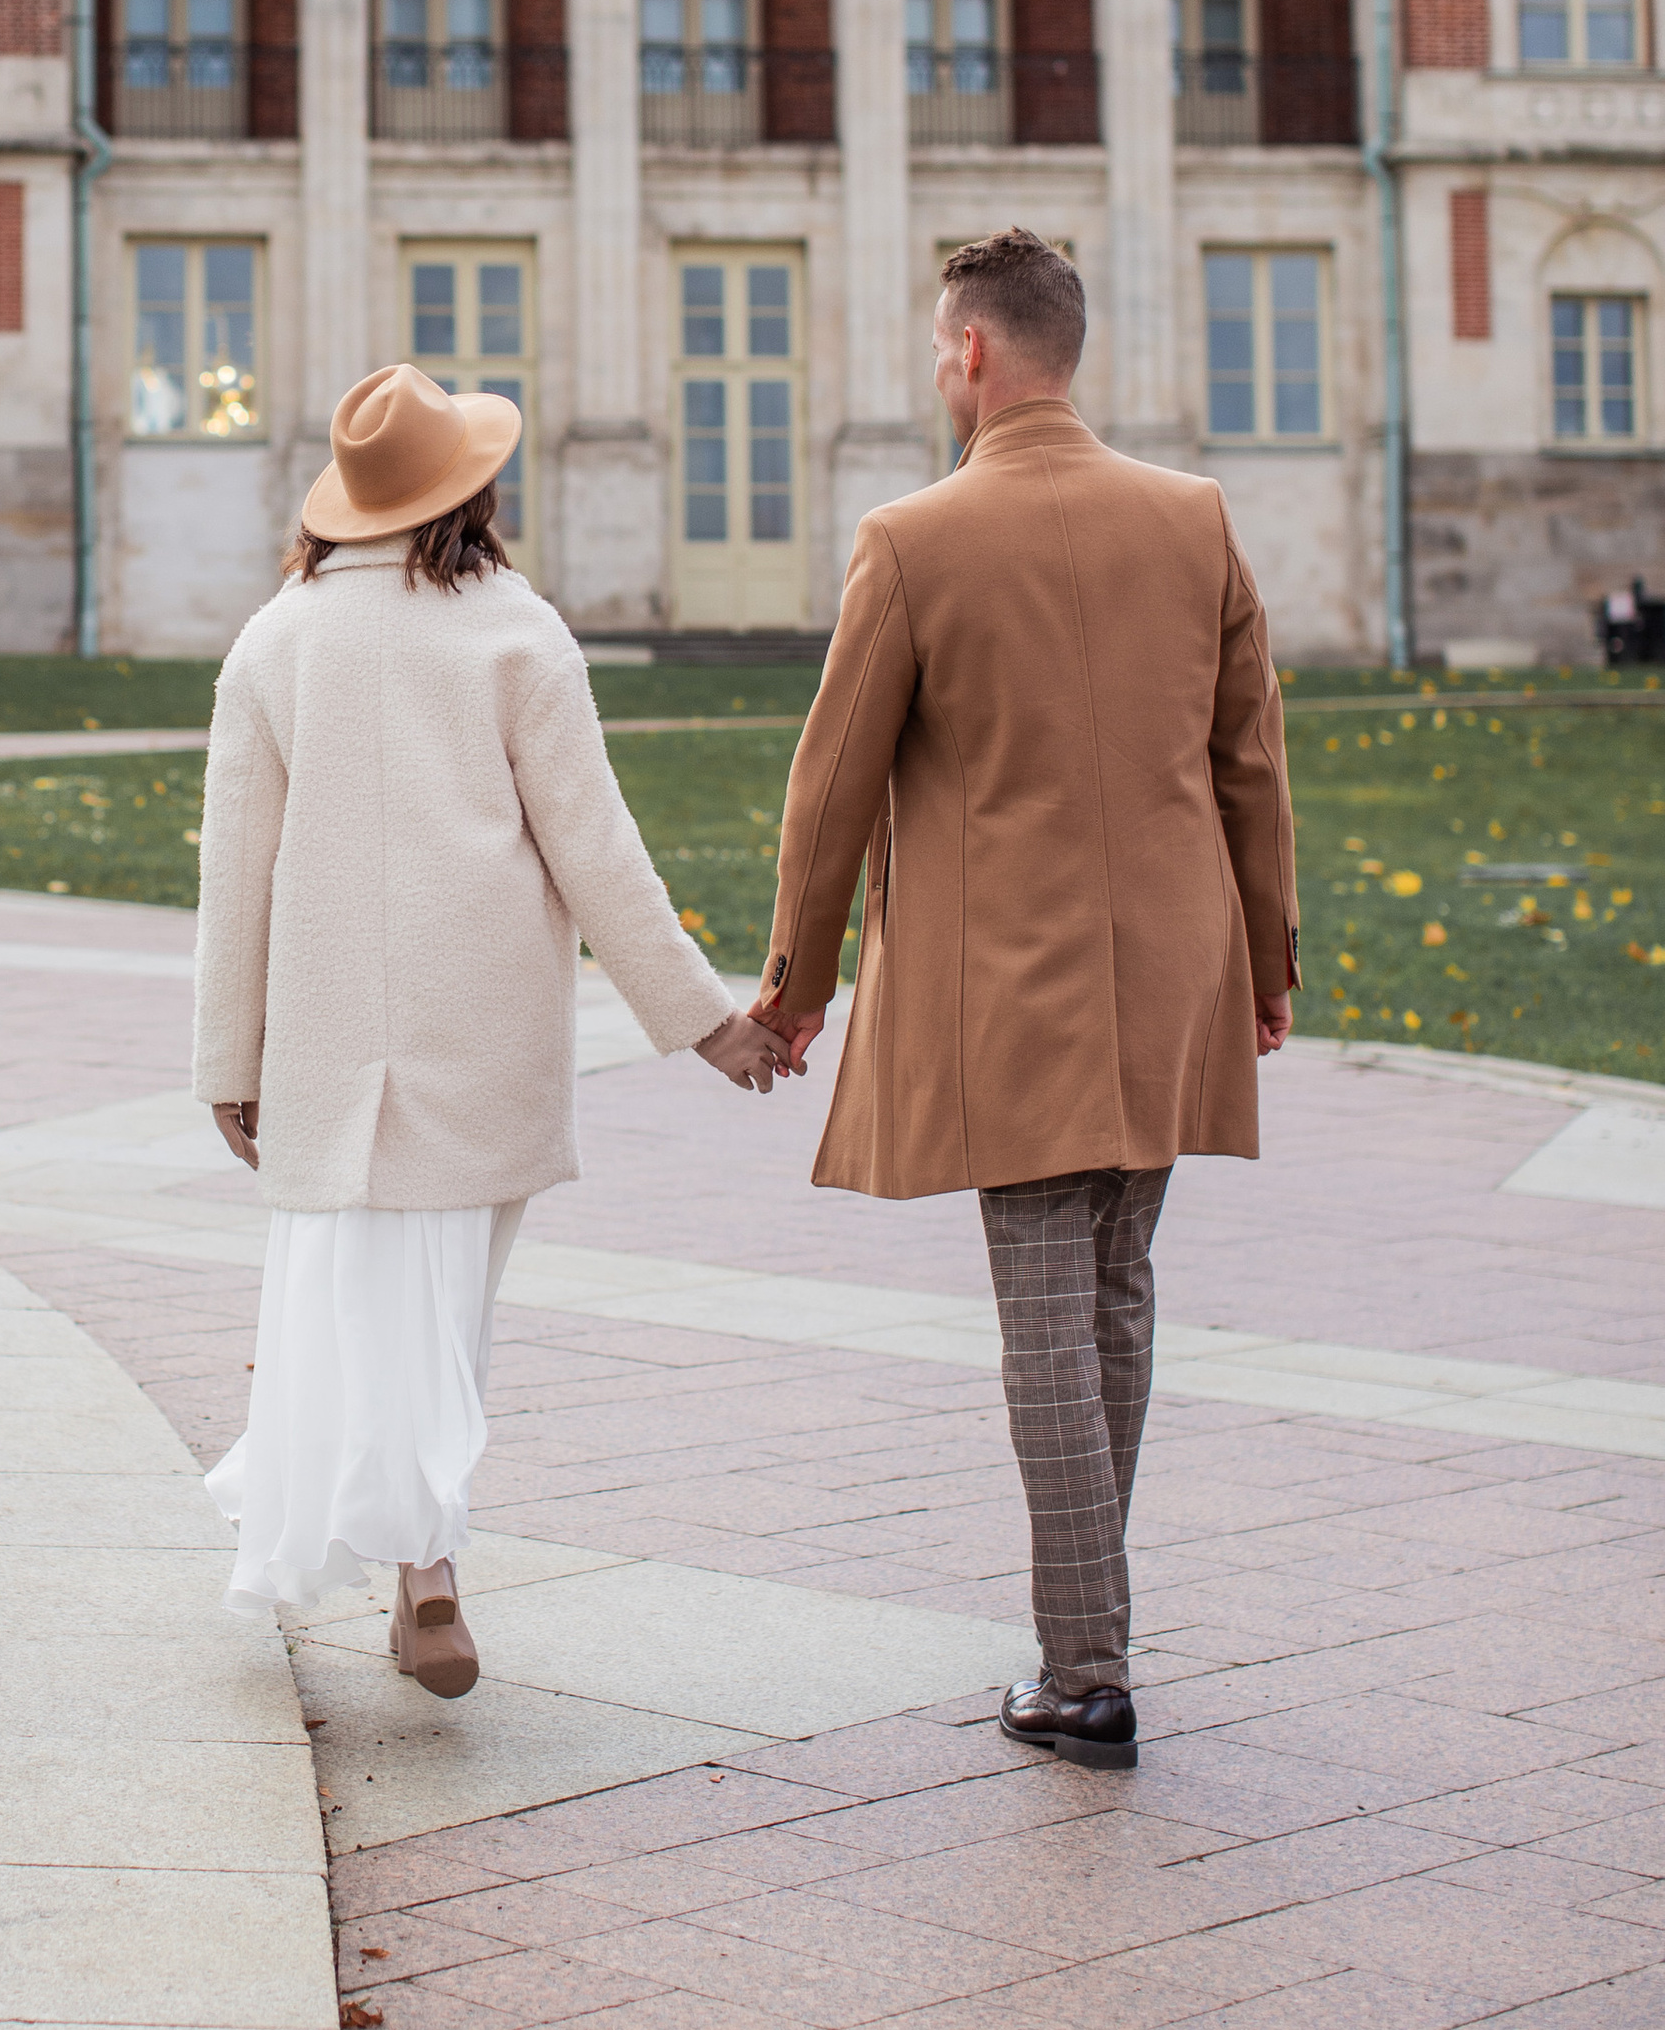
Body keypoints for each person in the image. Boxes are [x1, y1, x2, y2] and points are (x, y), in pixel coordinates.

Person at [752, 227, 1297, 1770]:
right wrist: (1264, 960)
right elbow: (1250, 764)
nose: (940, 370)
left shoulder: (914, 540)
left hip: (1012, 990)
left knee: (1049, 1318)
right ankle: (1089, 1637)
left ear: (977, 353)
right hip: (1174, 975)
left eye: (940, 348)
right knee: (1119, 1292)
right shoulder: (1191, 518)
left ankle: (1086, 1664)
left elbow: (831, 789)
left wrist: (793, 991)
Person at [194, 359, 790, 1692]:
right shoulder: (517, 630)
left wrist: (227, 1063)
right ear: (472, 490)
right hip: (489, 1039)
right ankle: (430, 1578)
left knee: (347, 1303)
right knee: (442, 1310)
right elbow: (599, 852)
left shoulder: (274, 642)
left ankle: (407, 1561)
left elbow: (236, 876)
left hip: (326, 1050)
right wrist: (707, 1022)